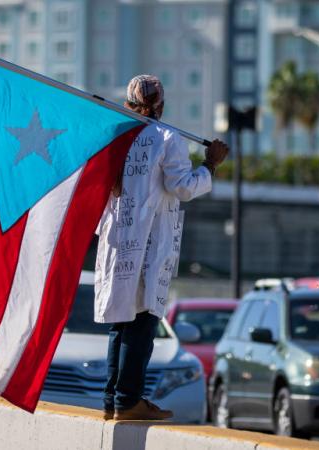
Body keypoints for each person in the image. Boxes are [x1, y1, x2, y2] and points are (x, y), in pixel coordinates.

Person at [94, 74, 229, 421]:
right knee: (141, 324)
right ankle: (127, 400)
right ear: (161, 105)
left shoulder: (112, 135)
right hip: (149, 246)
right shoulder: (168, 138)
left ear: (128, 103)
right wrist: (210, 164)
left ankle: (113, 400)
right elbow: (183, 188)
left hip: (116, 241)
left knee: (120, 323)